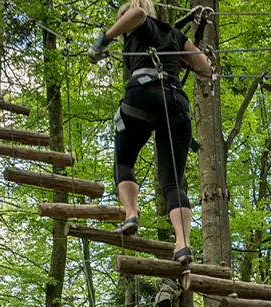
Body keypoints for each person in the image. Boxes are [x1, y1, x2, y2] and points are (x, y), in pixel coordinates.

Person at [87, 0, 215, 266]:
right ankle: (183, 244)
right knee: (173, 183)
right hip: (176, 104)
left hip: (142, 97)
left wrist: (104, 39)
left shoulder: (139, 26)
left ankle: (131, 214)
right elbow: (205, 68)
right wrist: (179, 57)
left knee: (124, 161)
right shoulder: (174, 34)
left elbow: (138, 13)